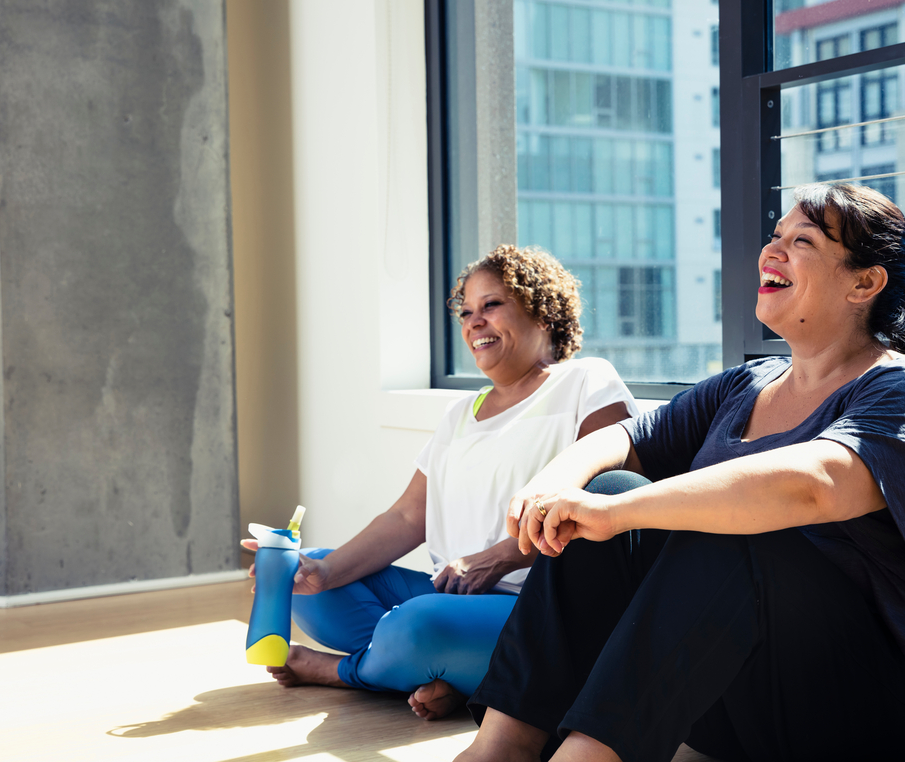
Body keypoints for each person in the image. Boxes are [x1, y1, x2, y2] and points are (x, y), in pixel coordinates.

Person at [456, 184, 905, 762]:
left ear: (864, 283)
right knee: (609, 484)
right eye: (775, 237)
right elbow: (626, 438)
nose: (772, 252)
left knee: (733, 538)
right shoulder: (748, 385)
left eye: (802, 241)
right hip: (748, 698)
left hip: (886, 712)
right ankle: (501, 748)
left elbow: (810, 487)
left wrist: (615, 514)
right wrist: (556, 483)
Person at [242, 245, 637, 721]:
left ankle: (346, 670)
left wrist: (498, 557)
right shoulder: (459, 414)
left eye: (491, 305)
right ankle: (451, 677)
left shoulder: (585, 381)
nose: (474, 322)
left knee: (418, 625)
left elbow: (607, 497)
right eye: (466, 312)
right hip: (452, 596)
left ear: (543, 311)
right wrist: (323, 573)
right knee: (318, 577)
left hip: (536, 607)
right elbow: (408, 516)